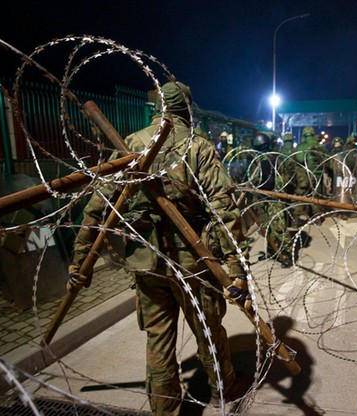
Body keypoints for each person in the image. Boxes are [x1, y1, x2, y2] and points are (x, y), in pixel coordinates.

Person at [70, 81, 246, 415]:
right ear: (187, 108)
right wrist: (236, 272)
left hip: (148, 262)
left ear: (158, 107)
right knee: (208, 332)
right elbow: (224, 210)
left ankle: (164, 408)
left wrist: (80, 262)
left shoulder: (132, 144)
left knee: (158, 339)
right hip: (194, 261)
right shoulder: (198, 147)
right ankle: (223, 388)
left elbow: (97, 208)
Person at [248, 132, 294, 267]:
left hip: (272, 197)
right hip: (268, 197)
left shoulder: (266, 159)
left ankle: (286, 255)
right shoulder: (272, 156)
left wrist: (256, 188)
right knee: (268, 227)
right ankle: (273, 251)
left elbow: (267, 181)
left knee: (278, 228)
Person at [292, 126, 325, 226]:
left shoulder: (300, 147)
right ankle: (317, 218)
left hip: (304, 177)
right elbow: (326, 162)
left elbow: (297, 160)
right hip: (317, 176)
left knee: (301, 197)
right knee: (315, 197)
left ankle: (295, 220)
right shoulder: (319, 147)